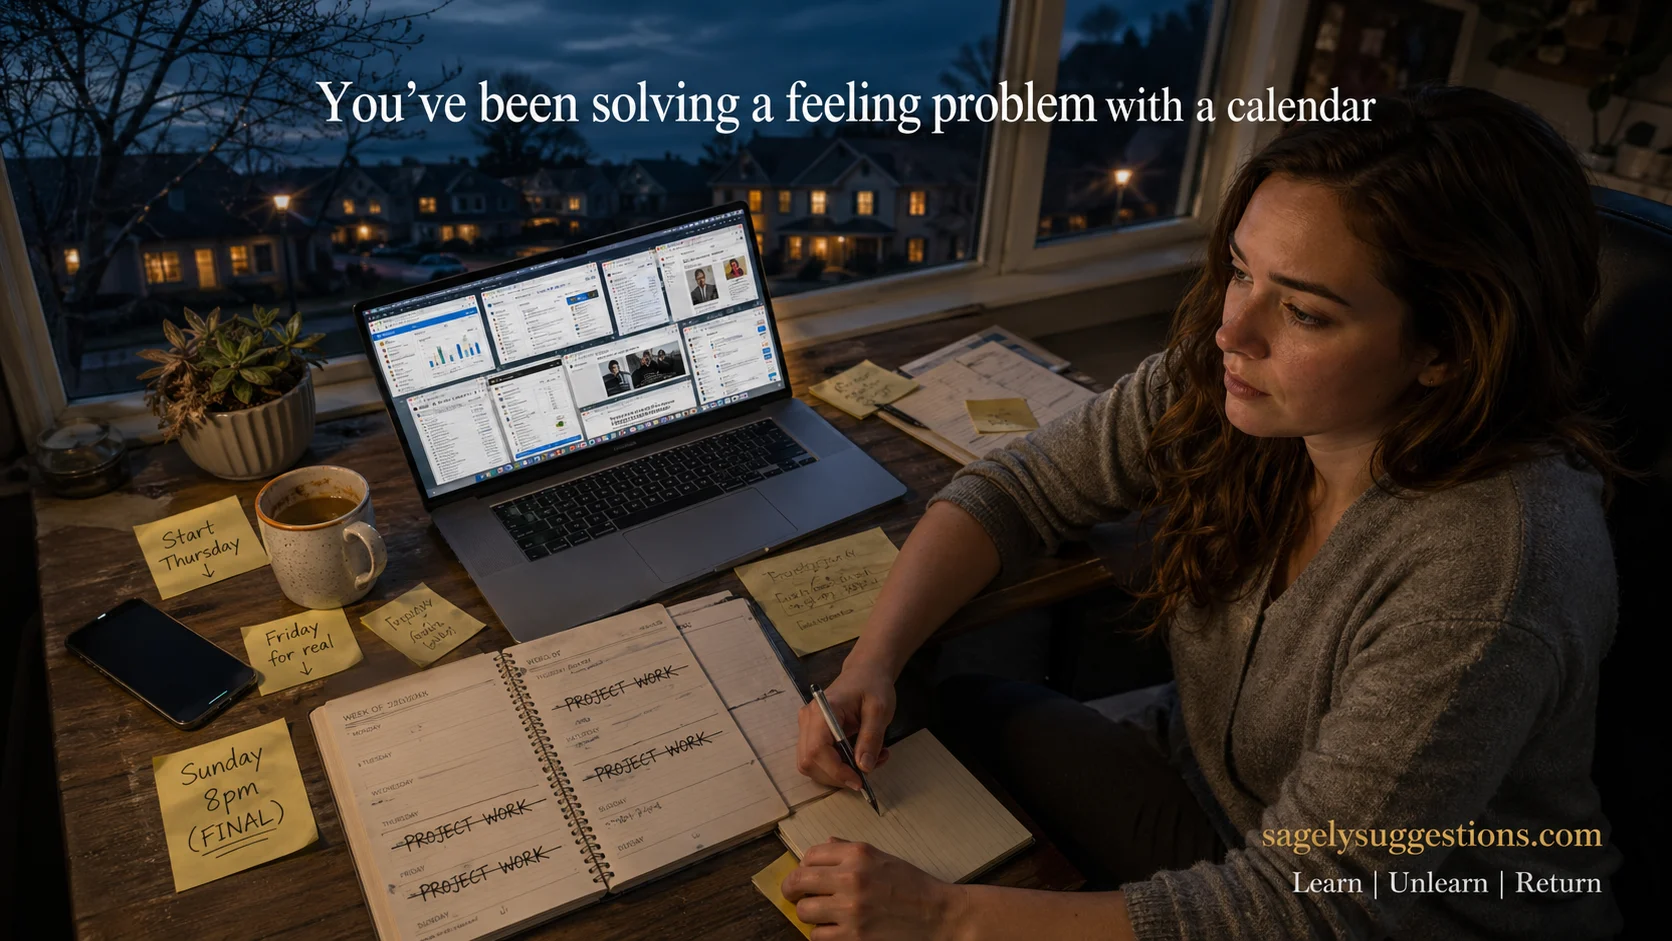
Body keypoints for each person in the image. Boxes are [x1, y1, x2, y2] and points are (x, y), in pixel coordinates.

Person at [788, 84, 1622, 940]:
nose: (1233, 329)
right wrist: (872, 661)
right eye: (1239, 270)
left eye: (1302, 310)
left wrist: (944, 916)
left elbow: (1305, 907)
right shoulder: (1242, 385)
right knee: (953, 712)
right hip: (1215, 800)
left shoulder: (1489, 569)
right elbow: (1020, 486)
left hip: (1407, 920)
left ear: (1448, 347)